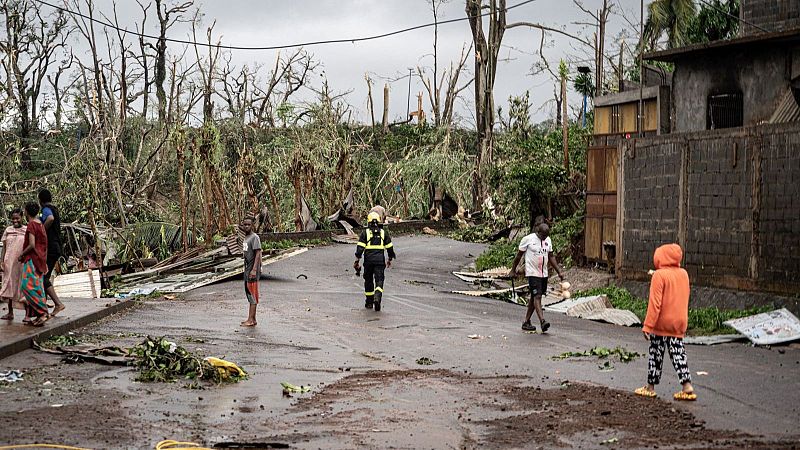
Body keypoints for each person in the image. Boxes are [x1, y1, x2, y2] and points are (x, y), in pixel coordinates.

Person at [634, 243, 697, 401]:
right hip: (679, 322)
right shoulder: (684, 274)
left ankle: (650, 387)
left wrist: (648, 326)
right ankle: (687, 385)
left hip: (661, 323)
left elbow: (655, 304)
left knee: (656, 354)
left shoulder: (659, 276)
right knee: (678, 353)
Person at [511, 222, 565, 333]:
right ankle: (542, 321)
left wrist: (559, 271)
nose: (544, 238)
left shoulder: (548, 240)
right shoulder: (528, 239)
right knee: (537, 296)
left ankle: (526, 322)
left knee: (534, 296)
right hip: (532, 273)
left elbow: (551, 256)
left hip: (543, 274)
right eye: (543, 235)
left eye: (546, 236)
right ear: (538, 232)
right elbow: (519, 255)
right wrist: (513, 270)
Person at [354, 211, 395, 312]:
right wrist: (390, 259)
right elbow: (390, 247)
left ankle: (369, 302)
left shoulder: (365, 233)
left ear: (368, 222)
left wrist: (357, 261)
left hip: (368, 262)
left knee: (368, 281)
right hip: (380, 262)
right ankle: (377, 296)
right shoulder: (383, 233)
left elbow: (360, 249)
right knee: (379, 280)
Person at [18, 202, 49, 327]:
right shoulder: (40, 224)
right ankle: (38, 315)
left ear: (26, 212)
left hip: (32, 259)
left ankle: (43, 312)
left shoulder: (31, 225)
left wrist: (21, 254)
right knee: (37, 287)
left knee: (27, 286)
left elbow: (32, 244)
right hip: (40, 259)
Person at [38, 189, 65, 316]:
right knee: (45, 276)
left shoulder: (46, 209)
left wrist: (41, 231)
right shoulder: (55, 208)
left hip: (51, 248)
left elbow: (50, 218)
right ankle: (42, 306)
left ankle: (58, 304)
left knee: (43, 277)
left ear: (40, 200)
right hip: (56, 247)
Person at [1, 209, 26, 321]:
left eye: (17, 218)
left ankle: (27, 314)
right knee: (9, 285)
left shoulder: (26, 230)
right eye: (13, 218)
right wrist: (1, 261)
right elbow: (4, 247)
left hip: (21, 263)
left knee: (22, 286)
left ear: (22, 217)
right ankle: (10, 312)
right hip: (9, 263)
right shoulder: (8, 230)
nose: (15, 220)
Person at [240, 217, 262, 327]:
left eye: (249, 224)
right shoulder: (246, 237)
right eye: (245, 224)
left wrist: (254, 270)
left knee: (252, 294)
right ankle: (252, 318)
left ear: (252, 225)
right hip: (247, 268)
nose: (247, 226)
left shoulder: (255, 237)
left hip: (252, 270)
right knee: (249, 293)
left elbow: (258, 253)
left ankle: (251, 320)